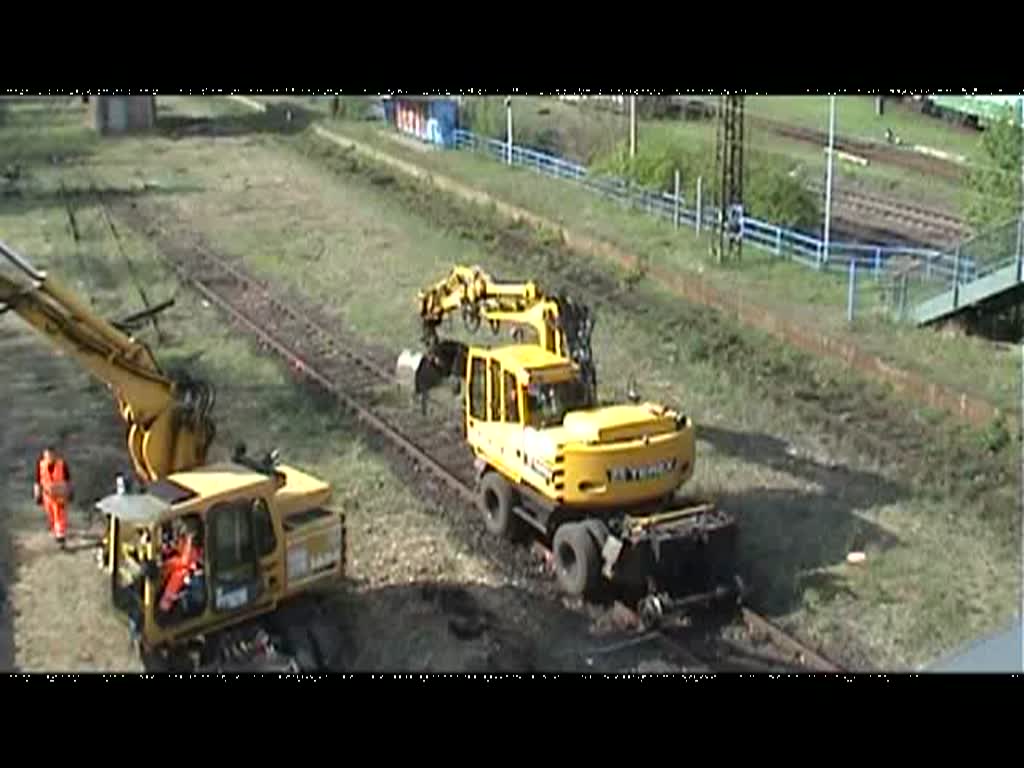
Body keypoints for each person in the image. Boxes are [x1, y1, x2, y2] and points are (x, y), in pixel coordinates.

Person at [159, 521, 203, 614]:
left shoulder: (191, 549)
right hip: (185, 564)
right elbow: (183, 560)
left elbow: (184, 561)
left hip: (186, 566)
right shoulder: (182, 544)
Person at [33, 446, 72, 549]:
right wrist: (37, 494)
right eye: (47, 456)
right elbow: (37, 481)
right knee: (51, 517)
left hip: (60, 496)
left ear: (55, 455)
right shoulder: (41, 466)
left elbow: (68, 480)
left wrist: (69, 492)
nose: (49, 457)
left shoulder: (62, 465)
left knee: (60, 516)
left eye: (51, 455)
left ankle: (61, 538)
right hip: (48, 496)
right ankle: (56, 532)